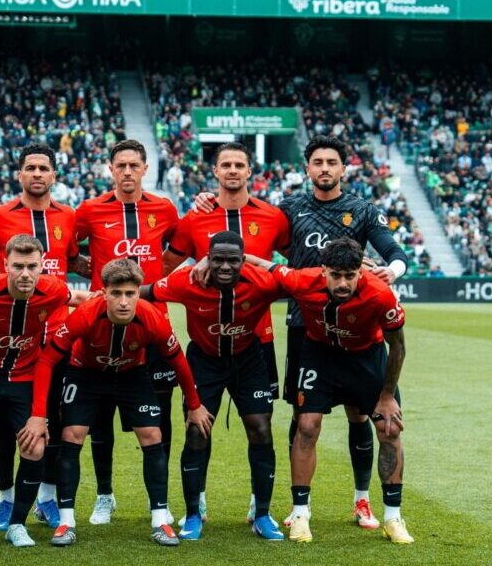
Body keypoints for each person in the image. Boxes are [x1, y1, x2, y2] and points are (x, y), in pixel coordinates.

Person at [195, 135, 408, 530]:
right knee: (302, 415)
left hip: (357, 322)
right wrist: (209, 202)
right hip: (304, 324)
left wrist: (390, 272)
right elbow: (252, 235)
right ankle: (287, 504)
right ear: (307, 168)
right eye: (317, 162)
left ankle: (362, 500)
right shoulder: (289, 210)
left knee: (360, 416)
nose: (325, 168)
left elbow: (394, 251)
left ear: (344, 168)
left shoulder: (362, 210)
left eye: (332, 162)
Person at [31, 259, 209, 547]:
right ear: (103, 293)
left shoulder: (152, 318)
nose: (123, 302)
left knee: (153, 435)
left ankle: (160, 520)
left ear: (140, 293)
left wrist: (194, 404)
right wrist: (38, 415)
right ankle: (66, 522)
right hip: (85, 373)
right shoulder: (85, 314)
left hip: (131, 374)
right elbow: (48, 359)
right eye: (116, 294)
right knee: (71, 434)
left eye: (130, 294)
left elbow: (178, 361)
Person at [161, 141, 289, 523]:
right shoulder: (194, 217)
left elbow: (294, 264)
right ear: (215, 172)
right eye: (225, 165)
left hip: (257, 341)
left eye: (240, 164)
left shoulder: (273, 217)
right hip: (207, 341)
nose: (232, 170)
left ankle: (259, 504)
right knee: (199, 425)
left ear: (250, 171)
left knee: (260, 426)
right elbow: (165, 267)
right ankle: (194, 502)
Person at [143, 231, 286, 541]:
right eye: (217, 259)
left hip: (249, 358)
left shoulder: (262, 282)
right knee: (196, 431)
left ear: (242, 260)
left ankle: (261, 513)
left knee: (261, 429)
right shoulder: (187, 282)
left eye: (232, 260)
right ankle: (194, 513)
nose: (224, 266)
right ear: (207, 258)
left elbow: (304, 282)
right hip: (204, 360)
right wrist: (100, 298)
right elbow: (145, 292)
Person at [270, 237, 413, 544]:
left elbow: (398, 345)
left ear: (360, 273)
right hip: (319, 355)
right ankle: (300, 513)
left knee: (389, 429)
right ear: (323, 272)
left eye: (350, 275)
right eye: (336, 275)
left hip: (367, 358)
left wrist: (387, 396)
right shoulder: (302, 280)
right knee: (306, 426)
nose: (343, 282)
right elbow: (267, 267)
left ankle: (392, 517)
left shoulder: (380, 293)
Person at [0, 144, 82, 532]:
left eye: (44, 168)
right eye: (30, 167)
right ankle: (6, 501)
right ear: (19, 174)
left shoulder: (69, 216)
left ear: (54, 176)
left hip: (60, 338)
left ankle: (47, 499)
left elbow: (75, 260)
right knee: (6, 426)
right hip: (14, 338)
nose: (37, 174)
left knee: (53, 421)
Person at [0, 234, 91, 548]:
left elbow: (84, 300)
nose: (26, 274)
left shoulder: (53, 289)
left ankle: (17, 523)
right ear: (5, 265)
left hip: (25, 378)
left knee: (35, 447)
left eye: (32, 266)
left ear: (43, 266)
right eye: (18, 266)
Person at [72, 139, 180, 526]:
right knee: (100, 417)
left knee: (158, 417)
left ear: (145, 168)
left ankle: (161, 503)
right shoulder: (90, 210)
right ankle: (105, 495)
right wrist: (95, 274)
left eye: (135, 165)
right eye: (122, 165)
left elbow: (179, 247)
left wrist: (155, 278)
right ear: (111, 169)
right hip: (103, 323)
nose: (128, 171)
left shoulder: (164, 208)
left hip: (152, 324)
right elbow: (68, 249)